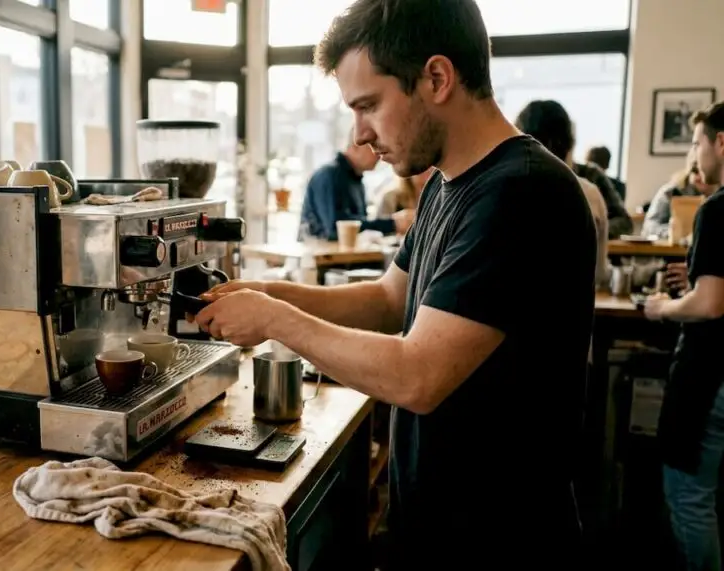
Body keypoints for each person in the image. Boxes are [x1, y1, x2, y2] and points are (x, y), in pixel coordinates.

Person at [190, 0, 595, 567]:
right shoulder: (448, 185)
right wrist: (267, 293)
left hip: (500, 539)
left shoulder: (523, 193)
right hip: (436, 524)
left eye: (369, 105)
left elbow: (417, 376)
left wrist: (274, 320)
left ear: (436, 77)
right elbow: (389, 300)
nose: (360, 134)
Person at [644, 101, 724, 571]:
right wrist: (695, 279)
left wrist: (664, 308)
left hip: (710, 374)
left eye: (697, 143)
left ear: (721, 142)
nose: (694, 155)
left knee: (689, 496)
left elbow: (711, 304)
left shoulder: (716, 210)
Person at [516, 100, 611, 287]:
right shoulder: (590, 194)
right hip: (572, 311)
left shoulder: (500, 188)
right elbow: (599, 273)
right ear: (569, 143)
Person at [298, 131, 413, 240]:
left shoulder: (356, 180)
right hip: (318, 258)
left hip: (340, 257)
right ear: (356, 144)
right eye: (374, 145)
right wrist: (392, 224)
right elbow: (335, 229)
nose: (379, 153)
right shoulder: (328, 175)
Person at [642, 149, 715, 239]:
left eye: (705, 171)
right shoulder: (671, 192)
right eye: (696, 171)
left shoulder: (719, 195)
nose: (700, 176)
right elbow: (649, 227)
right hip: (672, 251)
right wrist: (671, 231)